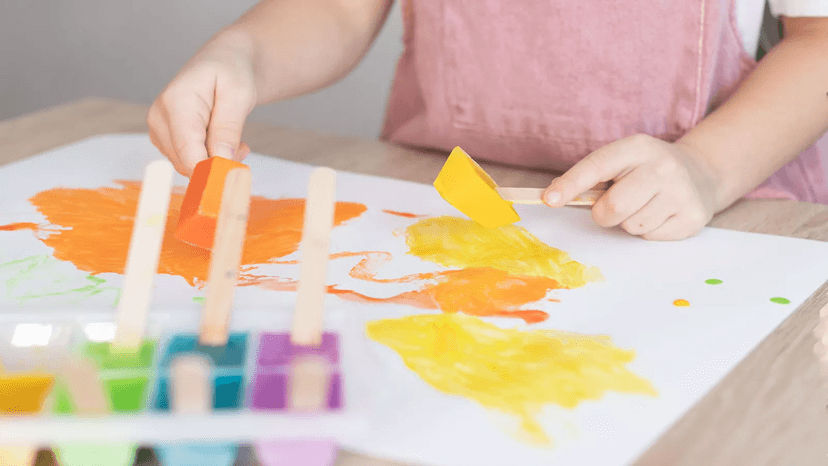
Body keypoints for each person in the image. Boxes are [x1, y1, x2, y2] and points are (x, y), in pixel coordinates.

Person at [147, 0, 828, 240]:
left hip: (709, 217)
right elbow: (340, 8)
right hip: (446, 212)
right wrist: (244, 54)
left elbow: (818, 40)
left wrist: (705, 168)